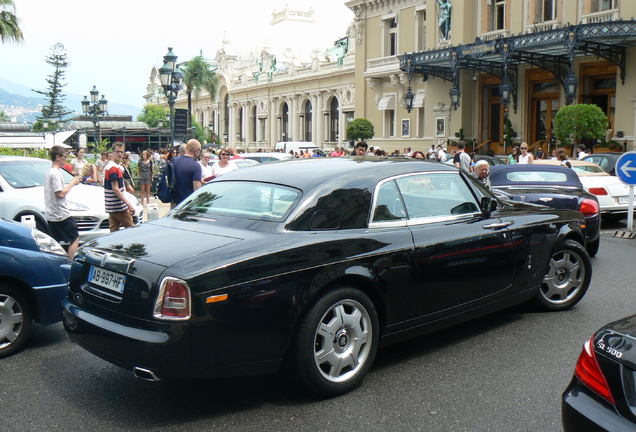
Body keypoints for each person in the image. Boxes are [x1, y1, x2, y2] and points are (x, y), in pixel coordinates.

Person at [44, 145, 82, 259]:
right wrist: (72, 183)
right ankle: (70, 262)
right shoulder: (56, 173)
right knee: (75, 237)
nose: (66, 159)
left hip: (51, 214)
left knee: (55, 243)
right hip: (60, 214)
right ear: (58, 157)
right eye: (65, 156)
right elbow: (60, 194)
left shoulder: (48, 172)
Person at [103, 142, 136, 232]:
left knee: (114, 232)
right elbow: (115, 189)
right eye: (117, 152)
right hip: (118, 206)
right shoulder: (113, 167)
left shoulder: (113, 166)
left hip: (112, 206)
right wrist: (128, 204)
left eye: (121, 152)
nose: (120, 154)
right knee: (131, 229)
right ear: (112, 152)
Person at [172, 139, 203, 206]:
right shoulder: (195, 166)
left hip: (175, 203)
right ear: (196, 150)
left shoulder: (174, 161)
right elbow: (197, 190)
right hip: (188, 204)